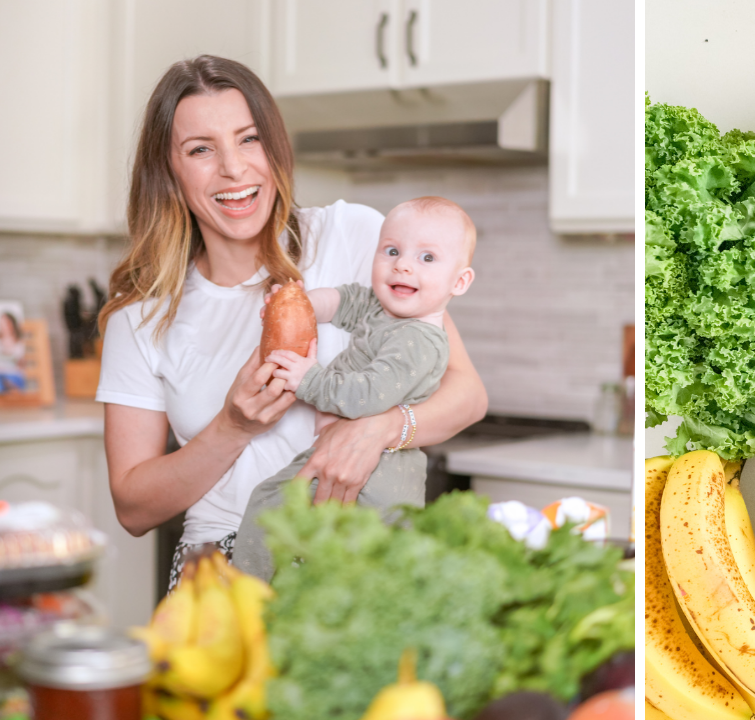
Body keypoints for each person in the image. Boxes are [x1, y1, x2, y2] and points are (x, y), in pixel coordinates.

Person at [95, 56, 487, 589]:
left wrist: (377, 430)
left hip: (352, 552)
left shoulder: (354, 238)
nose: (233, 169)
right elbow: (134, 507)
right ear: (169, 172)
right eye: (201, 149)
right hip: (221, 566)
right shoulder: (141, 316)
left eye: (249, 139)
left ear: (274, 147)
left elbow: (467, 394)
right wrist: (232, 427)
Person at [232, 196, 477, 580]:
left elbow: (364, 397)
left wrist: (306, 378)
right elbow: (342, 300)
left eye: (427, 258)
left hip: (377, 478)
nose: (403, 264)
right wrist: (300, 304)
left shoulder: (418, 339)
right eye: (392, 251)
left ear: (459, 281)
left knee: (273, 506)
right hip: (351, 459)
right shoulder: (382, 310)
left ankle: (248, 595)